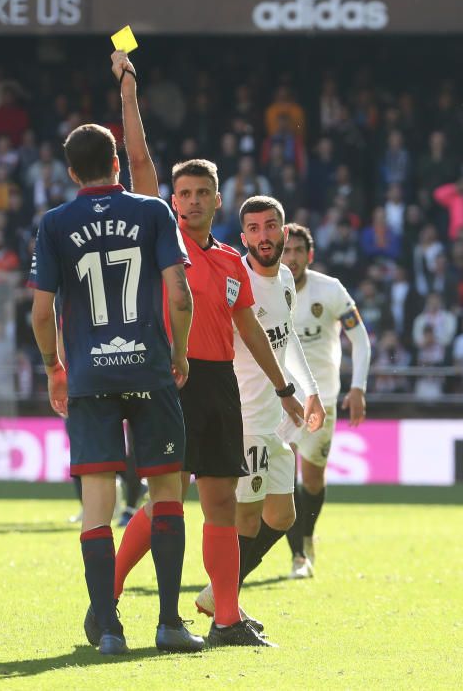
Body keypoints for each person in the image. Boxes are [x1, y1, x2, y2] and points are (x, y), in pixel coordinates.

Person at [109, 50, 316, 647]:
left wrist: (284, 390)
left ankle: (226, 619)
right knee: (164, 498)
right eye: (184, 193)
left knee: (222, 502)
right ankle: (111, 593)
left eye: (203, 192)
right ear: (171, 201)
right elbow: (140, 161)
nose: (193, 201)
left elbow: (248, 326)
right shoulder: (161, 235)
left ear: (217, 200)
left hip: (220, 381)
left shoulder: (230, 261)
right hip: (172, 378)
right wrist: (128, 93)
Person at [29, 121, 204, 655]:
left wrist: (54, 368)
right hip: (149, 370)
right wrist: (177, 356)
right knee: (167, 494)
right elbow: (180, 294)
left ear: (71, 171)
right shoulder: (152, 212)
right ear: (115, 165)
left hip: (90, 376)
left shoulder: (55, 223)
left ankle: (108, 628)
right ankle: (170, 623)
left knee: (97, 504)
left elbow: (41, 311)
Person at [194, 195, 325, 621]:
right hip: (247, 417)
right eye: (253, 229)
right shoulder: (235, 280)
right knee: (245, 518)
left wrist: (310, 391)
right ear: (244, 235)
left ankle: (219, 594)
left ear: (283, 233)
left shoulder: (285, 277)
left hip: (278, 418)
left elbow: (286, 343)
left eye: (270, 227)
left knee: (283, 515)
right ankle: (224, 605)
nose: (263, 236)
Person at [282, 223, 371, 577]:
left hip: (324, 399)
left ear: (310, 255)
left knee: (312, 481)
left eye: (298, 251)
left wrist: (359, 387)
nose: (291, 257)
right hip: (281, 398)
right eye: (286, 250)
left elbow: (360, 339)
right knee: (283, 477)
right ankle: (298, 557)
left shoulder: (330, 290)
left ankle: (306, 537)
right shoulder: (267, 288)